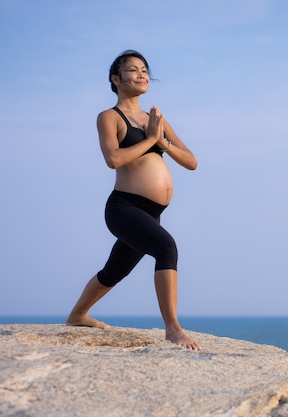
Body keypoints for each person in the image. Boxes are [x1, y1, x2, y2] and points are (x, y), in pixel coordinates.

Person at [66, 50, 201, 351]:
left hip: (152, 212)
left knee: (115, 270)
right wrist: (151, 141)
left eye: (144, 70)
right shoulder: (109, 117)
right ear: (116, 79)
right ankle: (174, 329)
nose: (141, 74)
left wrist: (162, 140)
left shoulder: (156, 120)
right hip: (124, 208)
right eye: (132, 70)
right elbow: (113, 159)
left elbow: (191, 161)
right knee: (166, 248)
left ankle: (77, 315)